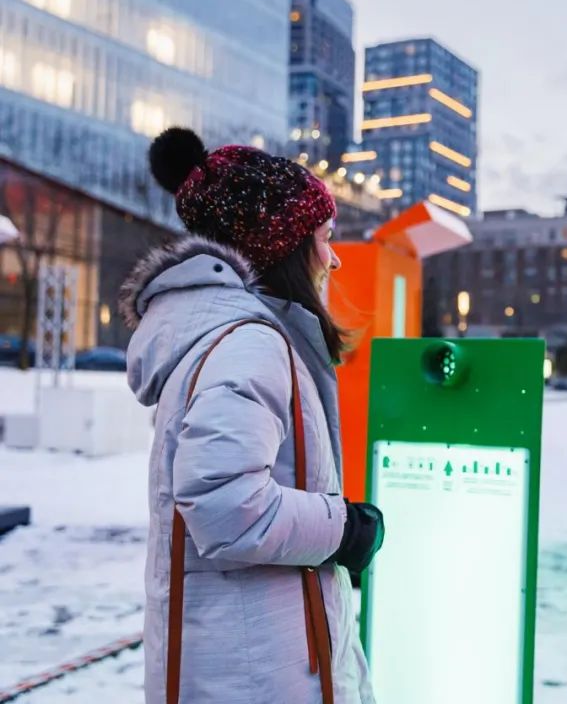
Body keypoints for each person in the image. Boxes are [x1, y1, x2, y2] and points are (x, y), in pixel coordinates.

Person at [120, 128, 383, 703]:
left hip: (247, 661)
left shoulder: (236, 338)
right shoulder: (249, 344)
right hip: (257, 674)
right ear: (282, 248)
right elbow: (224, 505)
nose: (334, 257)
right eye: (325, 238)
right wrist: (344, 528)